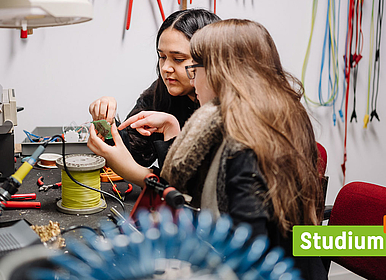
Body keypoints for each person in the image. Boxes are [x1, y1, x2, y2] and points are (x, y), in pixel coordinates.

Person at [87, 19, 327, 279]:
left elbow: (245, 255)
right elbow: (196, 197)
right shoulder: (253, 119)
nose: (191, 78)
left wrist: (139, 175)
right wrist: (171, 128)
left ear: (221, 73)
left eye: (193, 69)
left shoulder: (244, 146)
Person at [88, 9, 221, 167]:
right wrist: (105, 123)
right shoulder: (162, 91)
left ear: (209, 59)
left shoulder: (226, 110)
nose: (165, 68)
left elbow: (191, 184)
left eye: (178, 59)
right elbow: (133, 153)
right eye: (162, 57)